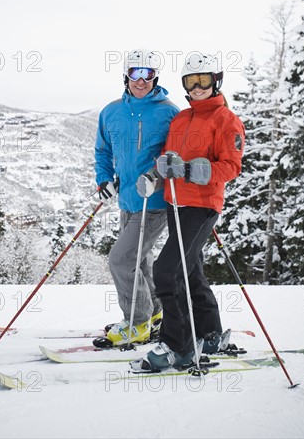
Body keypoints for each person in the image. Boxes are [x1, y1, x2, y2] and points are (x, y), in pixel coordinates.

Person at [136, 53, 245, 369]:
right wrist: (157, 173)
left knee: (166, 271)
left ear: (216, 81)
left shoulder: (226, 120)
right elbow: (167, 157)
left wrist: (205, 170)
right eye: (190, 82)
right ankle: (209, 333)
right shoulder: (181, 119)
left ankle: (179, 346)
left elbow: (231, 166)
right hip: (175, 202)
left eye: (203, 81)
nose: (197, 88)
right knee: (191, 268)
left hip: (202, 206)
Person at [94, 49, 179, 347]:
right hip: (127, 201)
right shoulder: (111, 111)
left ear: (155, 77)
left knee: (120, 260)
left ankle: (138, 321)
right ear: (126, 76)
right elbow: (103, 151)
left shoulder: (169, 112)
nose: (141, 80)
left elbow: (175, 156)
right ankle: (154, 312)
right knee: (139, 260)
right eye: (135, 73)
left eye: (147, 74)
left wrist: (155, 178)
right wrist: (103, 179)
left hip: (154, 202)